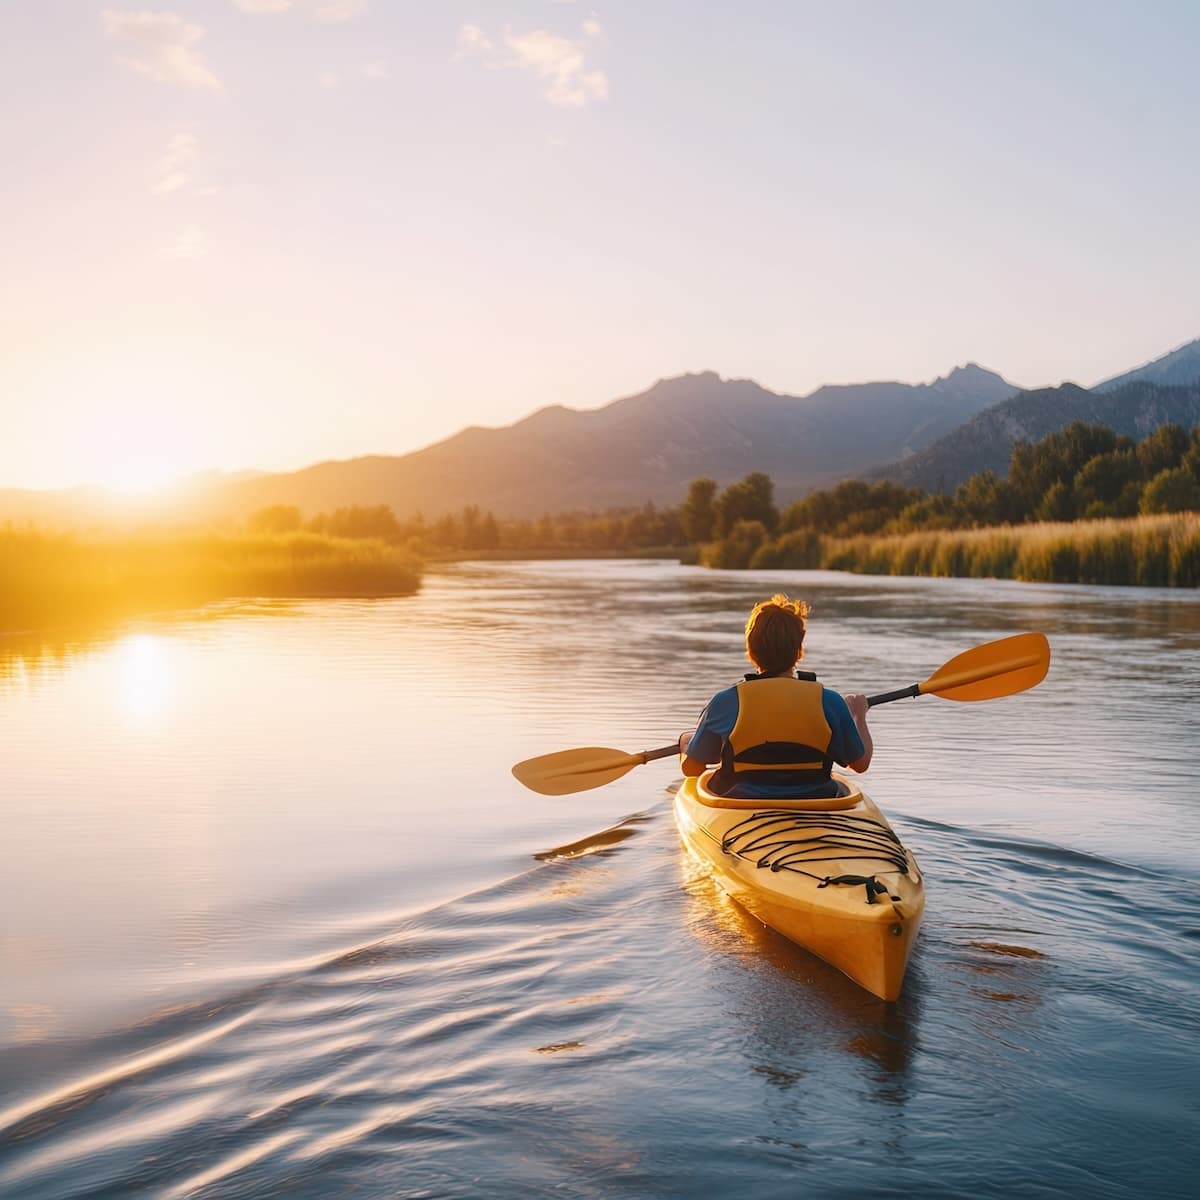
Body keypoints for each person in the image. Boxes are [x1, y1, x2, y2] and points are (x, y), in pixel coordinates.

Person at [678, 593, 872, 799]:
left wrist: (685, 744)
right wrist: (859, 717)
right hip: (815, 801)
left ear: (751, 650)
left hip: (740, 805)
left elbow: (692, 769)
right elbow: (860, 764)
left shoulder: (725, 702)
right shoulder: (830, 701)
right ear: (799, 650)